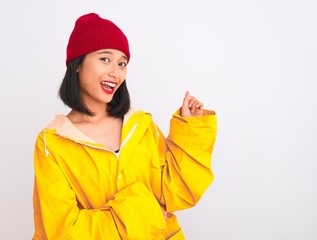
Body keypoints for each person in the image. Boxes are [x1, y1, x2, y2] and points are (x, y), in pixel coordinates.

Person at [32, 13, 217, 240]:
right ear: (78, 64)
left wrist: (191, 129)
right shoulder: (52, 143)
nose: (116, 72)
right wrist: (146, 212)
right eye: (105, 59)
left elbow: (176, 194)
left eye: (122, 63)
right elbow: (64, 231)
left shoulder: (141, 125)